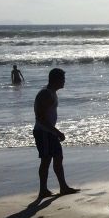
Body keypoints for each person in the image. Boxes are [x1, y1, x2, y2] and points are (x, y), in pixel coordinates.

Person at [33, 68, 79, 198]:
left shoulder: (52, 92)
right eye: (62, 79)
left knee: (58, 157)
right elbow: (40, 118)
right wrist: (57, 132)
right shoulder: (46, 94)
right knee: (46, 160)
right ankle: (43, 190)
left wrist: (54, 131)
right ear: (55, 80)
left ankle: (63, 187)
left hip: (49, 132)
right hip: (43, 132)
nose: (64, 81)